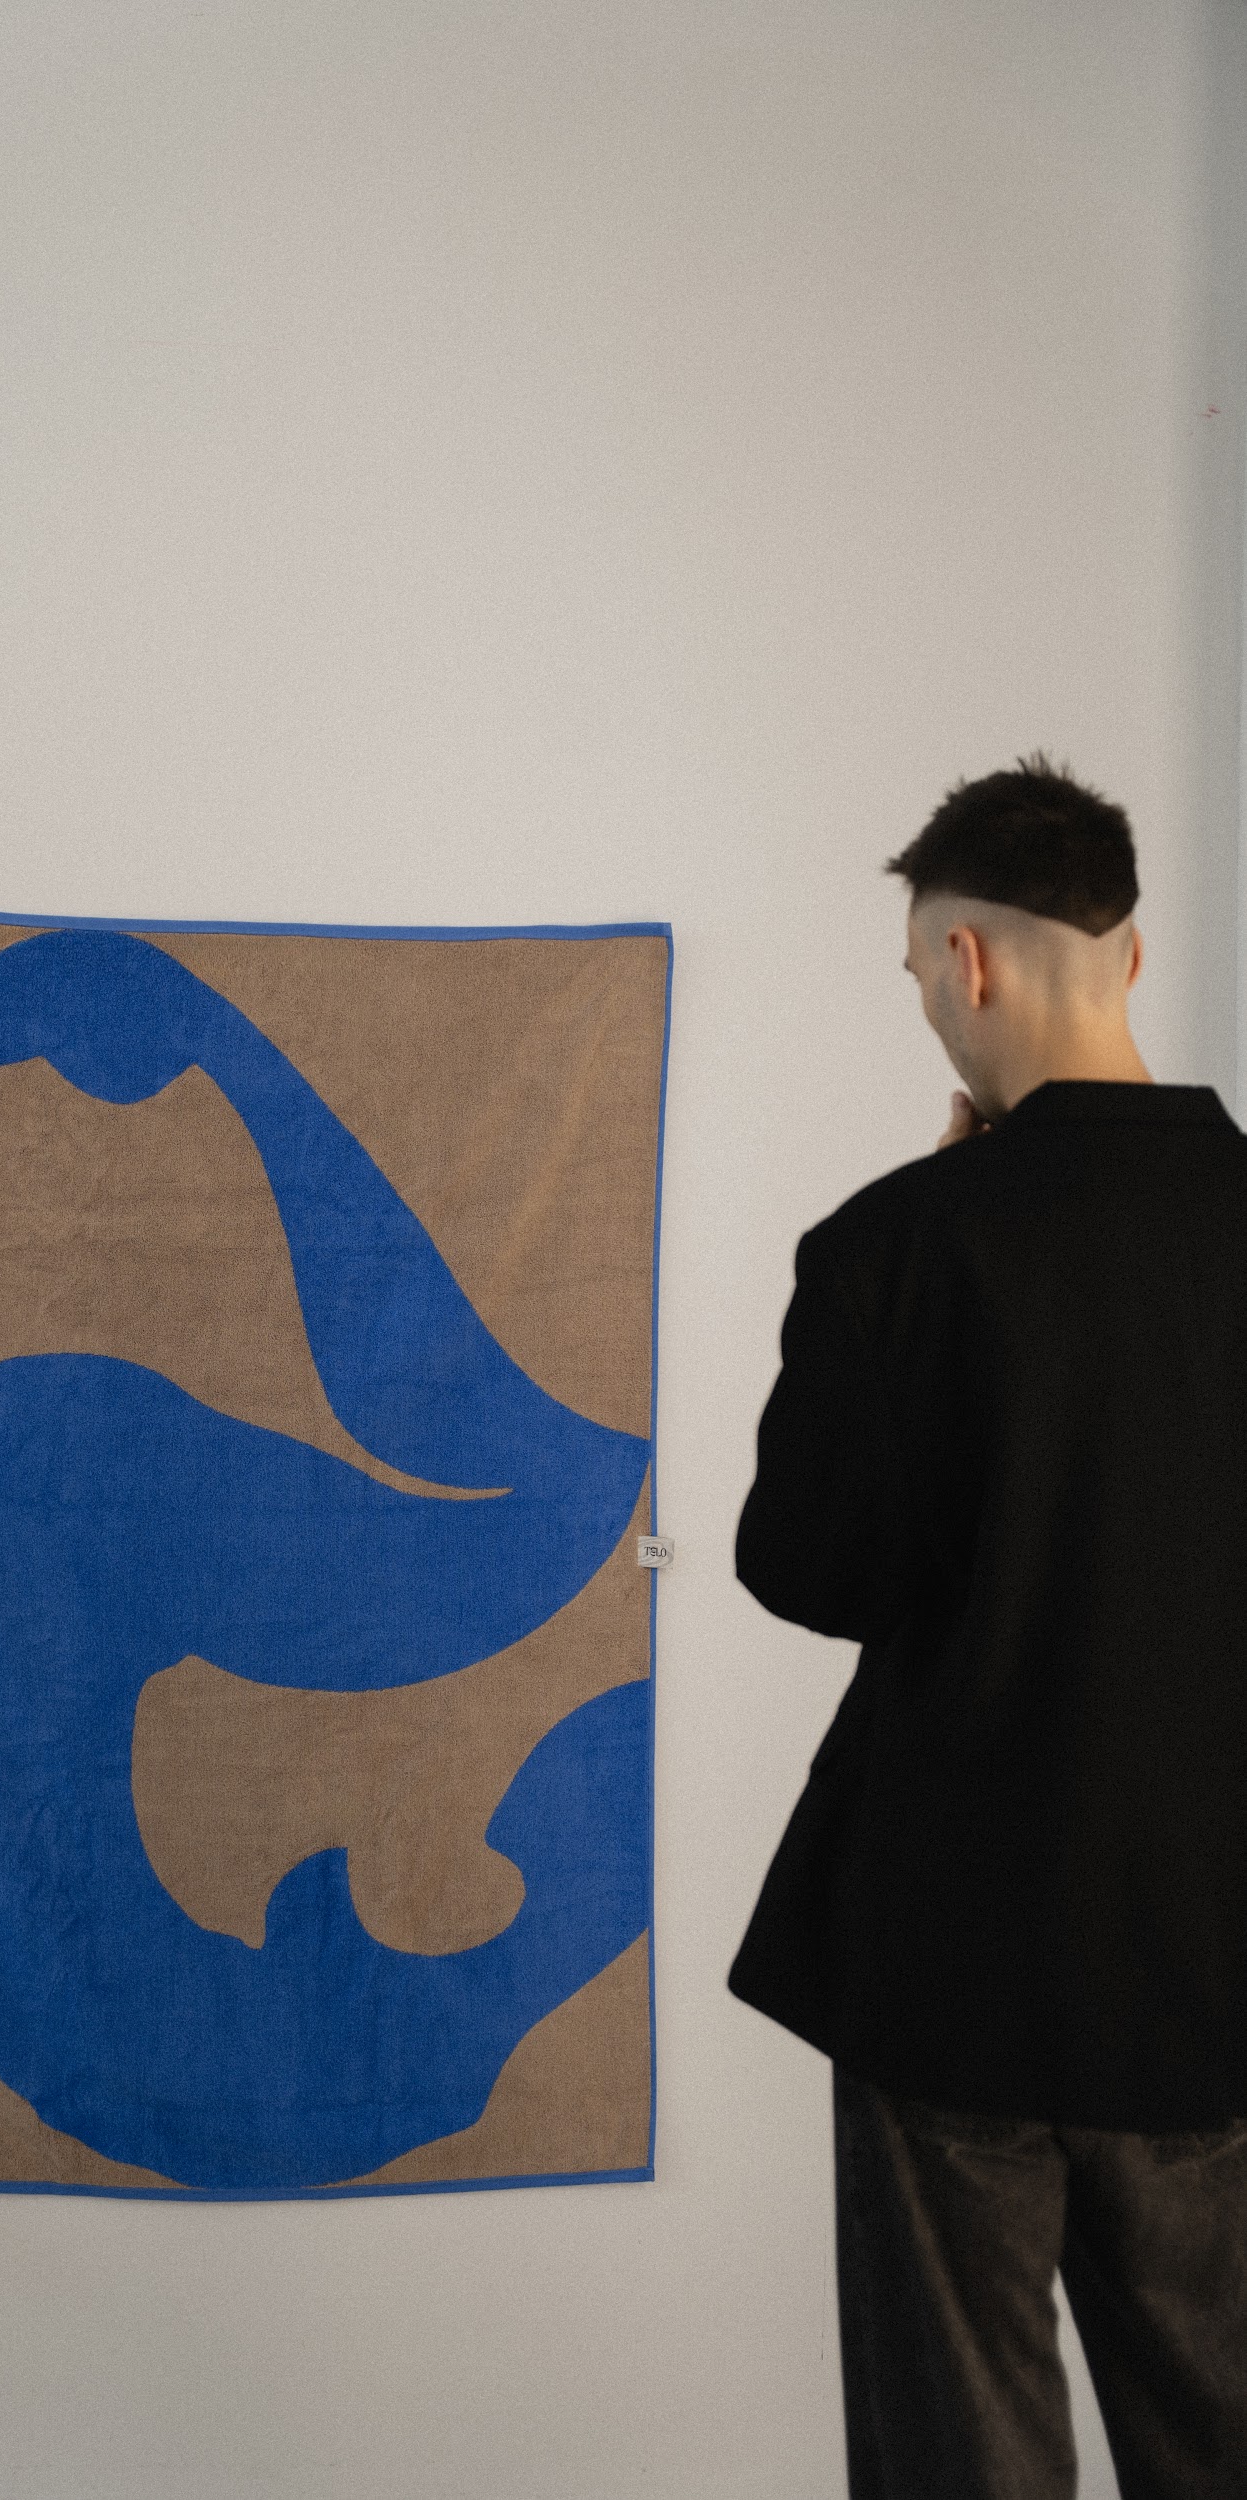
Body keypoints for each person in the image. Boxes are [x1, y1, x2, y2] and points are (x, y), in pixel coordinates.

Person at [727, 757, 1247, 2500]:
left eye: (917, 974)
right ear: (1131, 957)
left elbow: (808, 1570)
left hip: (950, 1963)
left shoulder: (895, 1248)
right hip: (1212, 1963)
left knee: (963, 2466)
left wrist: (929, 1264)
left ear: (967, 962)